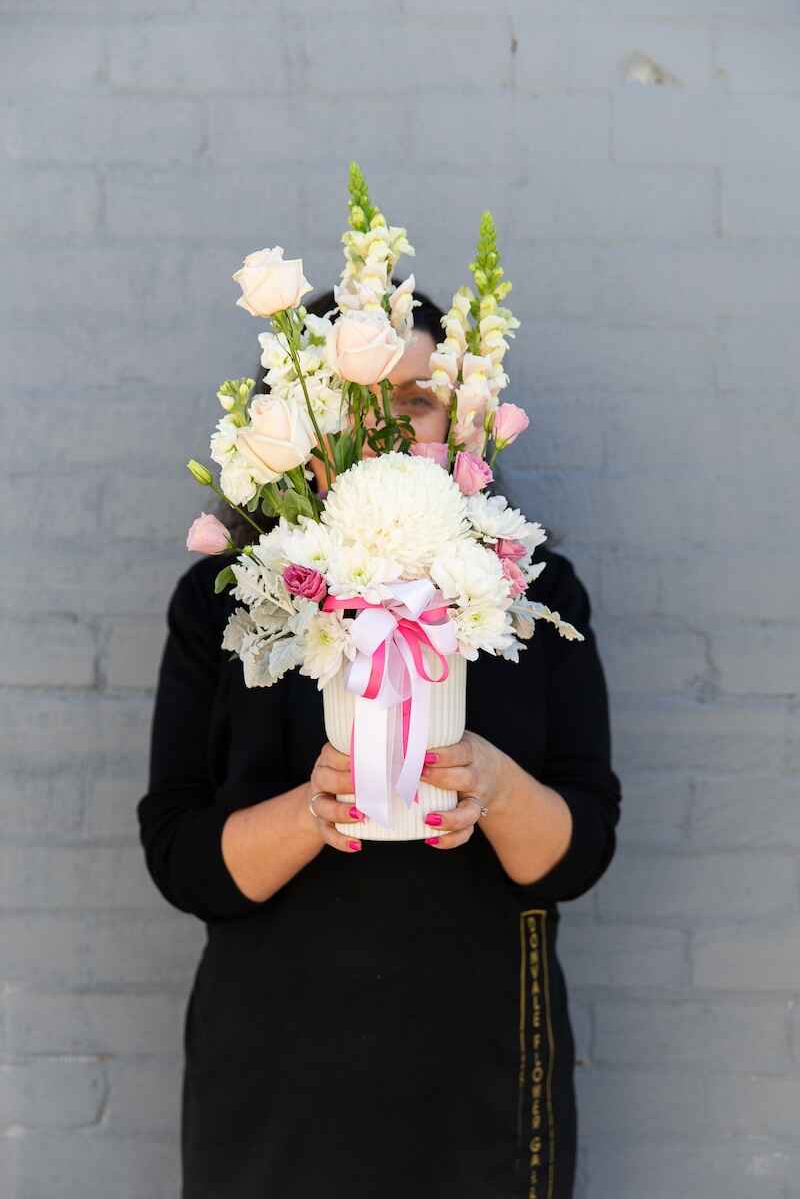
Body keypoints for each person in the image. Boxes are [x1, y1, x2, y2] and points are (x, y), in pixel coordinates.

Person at [137, 283, 623, 1199]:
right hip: (277, 1079)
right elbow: (181, 861)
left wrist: (499, 788)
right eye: (353, 404)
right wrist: (313, 812)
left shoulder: (532, 591)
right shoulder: (227, 601)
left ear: (462, 419)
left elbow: (580, 850)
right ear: (299, 422)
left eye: (416, 403)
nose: (386, 431)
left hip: (481, 1071)